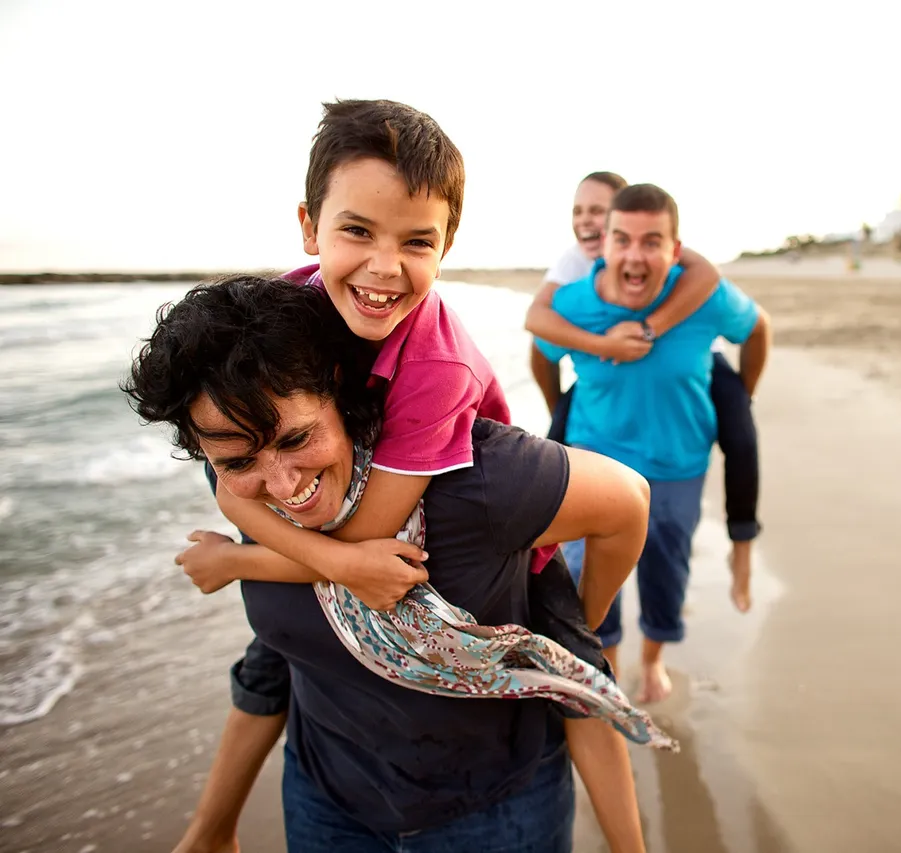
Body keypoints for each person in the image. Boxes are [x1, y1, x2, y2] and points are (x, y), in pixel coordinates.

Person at [167, 100, 644, 838]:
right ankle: (210, 824)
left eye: (416, 241)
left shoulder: (438, 374)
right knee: (286, 635)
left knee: (574, 663)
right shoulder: (278, 335)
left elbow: (365, 542)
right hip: (330, 781)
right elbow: (250, 497)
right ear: (308, 227)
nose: (384, 266)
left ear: (446, 245)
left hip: (467, 506)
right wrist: (257, 545)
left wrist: (242, 560)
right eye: (356, 229)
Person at [126, 276, 652, 852]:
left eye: (298, 439)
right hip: (325, 803)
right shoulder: (245, 485)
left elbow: (628, 503)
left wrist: (588, 616)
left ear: (333, 386)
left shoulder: (478, 479)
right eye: (236, 460)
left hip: (495, 813)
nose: (282, 483)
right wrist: (212, 826)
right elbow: (281, 649)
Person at [533, 184, 772, 703]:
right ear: (607, 243)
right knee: (589, 582)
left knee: (667, 573)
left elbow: (757, 328)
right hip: (593, 468)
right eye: (623, 241)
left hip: (677, 466)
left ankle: (653, 660)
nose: (635, 256)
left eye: (651, 242)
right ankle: (609, 668)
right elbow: (541, 349)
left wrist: (743, 398)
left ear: (674, 249)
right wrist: (558, 411)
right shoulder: (574, 304)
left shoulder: (702, 298)